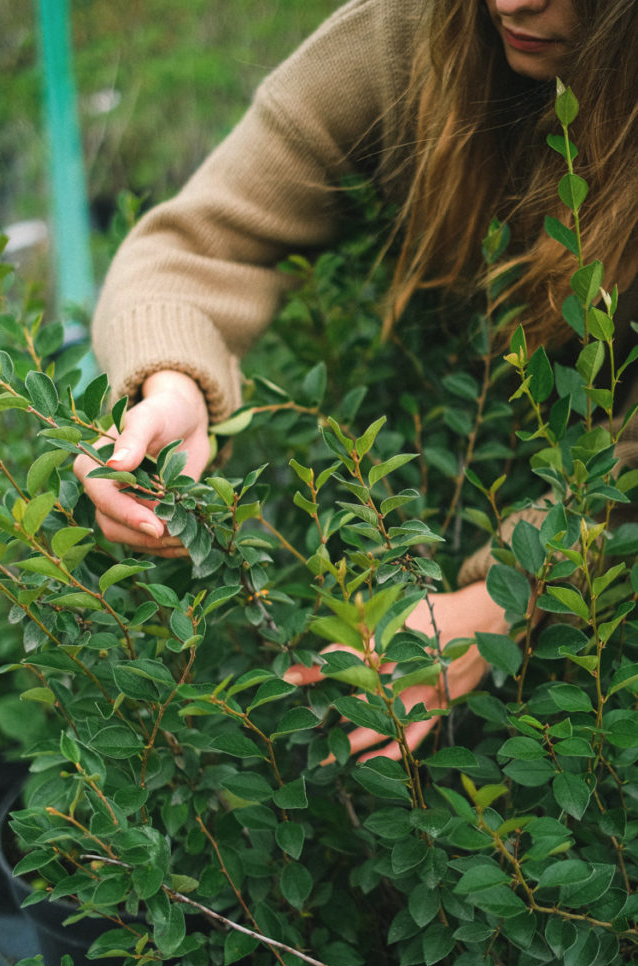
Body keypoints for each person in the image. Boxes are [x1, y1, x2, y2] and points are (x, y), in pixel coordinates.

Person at [74, 0, 638, 758]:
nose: (510, 2)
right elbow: (197, 244)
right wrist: (171, 387)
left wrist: (502, 600)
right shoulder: (413, 32)